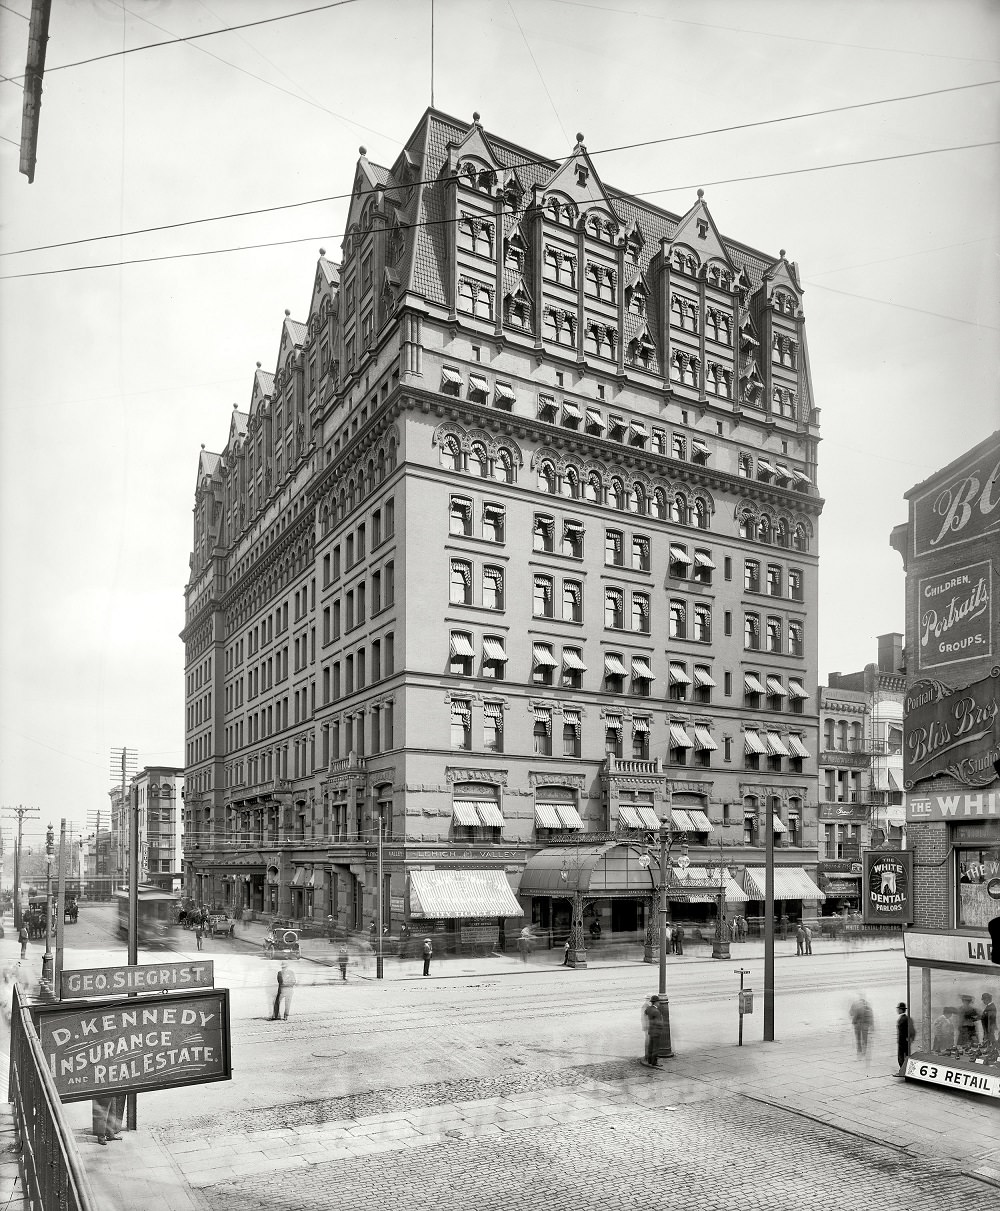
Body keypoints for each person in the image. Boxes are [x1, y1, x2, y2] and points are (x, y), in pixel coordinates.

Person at [895, 1002, 916, 1076]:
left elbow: (910, 1030)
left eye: (898, 1009)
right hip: (905, 1041)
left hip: (903, 1041)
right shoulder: (906, 1018)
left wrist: (909, 1038)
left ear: (901, 1010)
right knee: (905, 1056)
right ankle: (904, 1070)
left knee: (901, 1057)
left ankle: (902, 1071)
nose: (897, 1011)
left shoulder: (904, 1019)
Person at [642, 995, 663, 1067]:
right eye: (658, 1002)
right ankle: (654, 1062)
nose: (659, 1003)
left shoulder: (649, 1009)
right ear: (656, 1002)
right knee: (656, 1047)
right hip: (656, 1031)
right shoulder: (656, 1011)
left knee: (651, 1046)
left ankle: (650, 1060)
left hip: (651, 1030)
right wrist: (661, 1028)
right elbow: (659, 1023)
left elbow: (645, 1013)